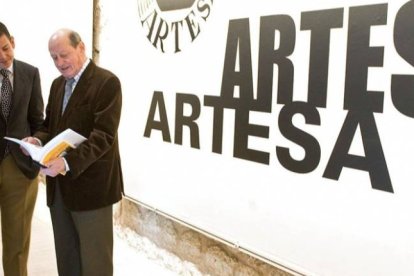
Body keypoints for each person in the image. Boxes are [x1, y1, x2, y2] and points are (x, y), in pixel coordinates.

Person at [26, 28, 123, 276]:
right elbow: (50, 126)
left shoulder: (107, 83)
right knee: (67, 259)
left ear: (81, 47)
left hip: (92, 190)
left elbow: (104, 136)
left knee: (95, 264)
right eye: (54, 57)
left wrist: (67, 163)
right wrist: (37, 141)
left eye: (64, 55)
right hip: (59, 190)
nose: (59, 63)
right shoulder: (58, 85)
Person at [0, 22, 44, 276]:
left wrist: (35, 142)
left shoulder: (30, 73)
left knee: (16, 242)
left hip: (19, 168)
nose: (3, 58)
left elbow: (38, 121)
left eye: (6, 49)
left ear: (13, 42)